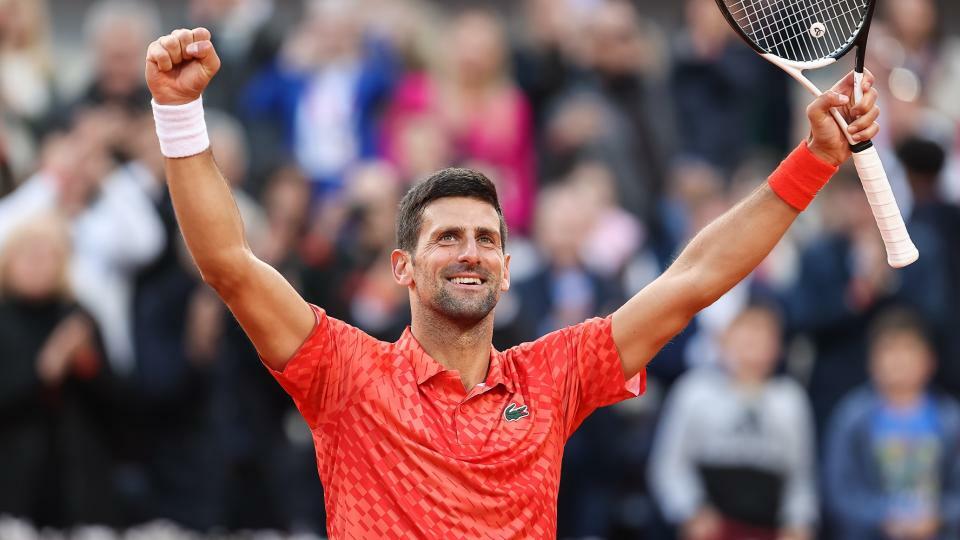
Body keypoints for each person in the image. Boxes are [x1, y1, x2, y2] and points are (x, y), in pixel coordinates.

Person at [144, 26, 880, 538]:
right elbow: (229, 264)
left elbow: (694, 278)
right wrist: (179, 115)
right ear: (402, 267)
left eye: (487, 240)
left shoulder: (554, 376)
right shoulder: (345, 372)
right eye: (447, 238)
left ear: (505, 268)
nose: (470, 253)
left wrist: (815, 159)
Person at [649, 303, 817, 540]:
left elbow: (801, 475)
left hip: (769, 526)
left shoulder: (790, 400)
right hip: (710, 525)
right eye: (746, 334)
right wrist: (690, 511)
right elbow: (670, 464)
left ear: (777, 346)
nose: (753, 344)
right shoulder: (695, 392)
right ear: (723, 340)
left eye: (763, 335)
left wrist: (798, 522)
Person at [824, 309, 960, 540]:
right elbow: (840, 492)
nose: (899, 360)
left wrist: (939, 517)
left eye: (908, 349)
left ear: (930, 361)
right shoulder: (851, 417)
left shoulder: (951, 419)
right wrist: (883, 517)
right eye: (889, 350)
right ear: (871, 361)